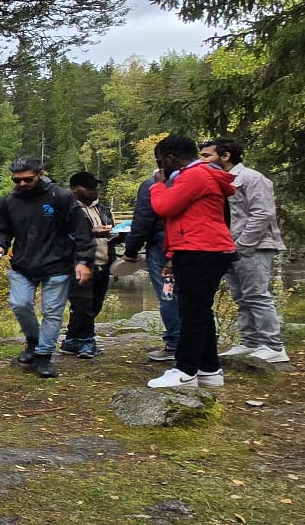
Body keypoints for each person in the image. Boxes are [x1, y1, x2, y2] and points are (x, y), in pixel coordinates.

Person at [0, 158, 95, 379]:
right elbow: (1, 229)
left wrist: (83, 261)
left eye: (28, 179)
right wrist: (0, 246)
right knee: (20, 304)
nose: (23, 184)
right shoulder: (8, 201)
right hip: (22, 264)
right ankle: (33, 341)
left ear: (40, 174)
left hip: (57, 265)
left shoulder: (61, 197)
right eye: (17, 180)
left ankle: (44, 356)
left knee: (52, 313)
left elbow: (81, 231)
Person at [146, 135, 236, 390]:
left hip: (201, 250)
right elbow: (190, 219)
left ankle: (185, 371)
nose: (161, 166)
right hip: (199, 249)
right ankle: (209, 368)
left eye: (160, 160)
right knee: (200, 311)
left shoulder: (194, 175)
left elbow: (164, 207)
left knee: (191, 313)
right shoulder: (202, 174)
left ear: (171, 157)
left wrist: (158, 186)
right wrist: (174, 256)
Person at [202, 138, 289, 365]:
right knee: (241, 297)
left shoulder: (252, 178)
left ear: (225, 155)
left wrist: (242, 244)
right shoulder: (220, 181)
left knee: (257, 295)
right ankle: (250, 341)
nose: (203, 160)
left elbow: (263, 214)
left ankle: (273, 346)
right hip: (229, 246)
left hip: (255, 247)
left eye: (207, 155)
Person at [122, 175, 180, 365]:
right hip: (195, 245)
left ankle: (174, 343)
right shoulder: (197, 179)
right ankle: (200, 342)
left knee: (168, 294)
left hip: (163, 247)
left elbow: (143, 219)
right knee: (193, 296)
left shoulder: (152, 184)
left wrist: (130, 250)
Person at [60, 173, 116, 359]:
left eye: (95, 186)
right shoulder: (67, 210)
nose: (94, 189)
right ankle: (87, 341)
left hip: (103, 263)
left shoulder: (103, 210)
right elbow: (62, 237)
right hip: (78, 264)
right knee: (82, 304)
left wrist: (119, 234)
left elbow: (112, 234)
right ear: (74, 189)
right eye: (88, 186)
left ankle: (71, 340)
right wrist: (91, 233)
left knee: (94, 305)